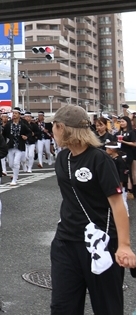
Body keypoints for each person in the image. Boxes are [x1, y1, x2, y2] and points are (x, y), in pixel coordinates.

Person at [49, 105, 136, 315]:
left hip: (101, 243)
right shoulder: (62, 158)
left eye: (54, 126)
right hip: (66, 242)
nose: (52, 131)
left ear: (62, 127)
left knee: (108, 308)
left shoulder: (100, 159)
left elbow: (118, 204)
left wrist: (124, 245)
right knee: (62, 307)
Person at [3, 108, 32, 186]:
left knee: (16, 163)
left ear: (19, 115)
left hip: (19, 146)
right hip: (10, 145)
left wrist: (26, 136)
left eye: (16, 113)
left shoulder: (23, 124)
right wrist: (4, 143)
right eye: (13, 113)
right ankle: (15, 173)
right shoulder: (9, 124)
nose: (14, 115)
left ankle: (14, 179)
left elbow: (29, 132)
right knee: (10, 164)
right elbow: (4, 134)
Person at [104, 141, 130, 215]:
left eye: (107, 149)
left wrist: (121, 183)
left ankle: (126, 214)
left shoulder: (120, 160)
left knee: (122, 199)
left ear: (111, 150)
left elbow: (123, 173)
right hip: (114, 182)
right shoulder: (112, 159)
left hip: (120, 183)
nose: (106, 151)